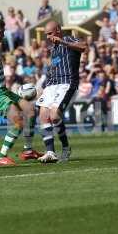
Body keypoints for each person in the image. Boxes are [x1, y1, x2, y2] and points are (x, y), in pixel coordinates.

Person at [0, 18, 42, 166]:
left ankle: (28, 151)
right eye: (1, 32)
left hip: (3, 90)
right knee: (18, 122)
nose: (3, 35)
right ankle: (1, 156)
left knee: (30, 110)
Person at [36, 21, 87, 163]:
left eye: (50, 33)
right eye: (46, 34)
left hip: (67, 82)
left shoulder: (69, 39)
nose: (48, 37)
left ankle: (65, 147)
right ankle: (50, 152)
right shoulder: (54, 48)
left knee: (54, 115)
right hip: (52, 85)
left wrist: (63, 42)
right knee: (43, 115)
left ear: (58, 30)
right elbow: (54, 68)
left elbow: (83, 47)